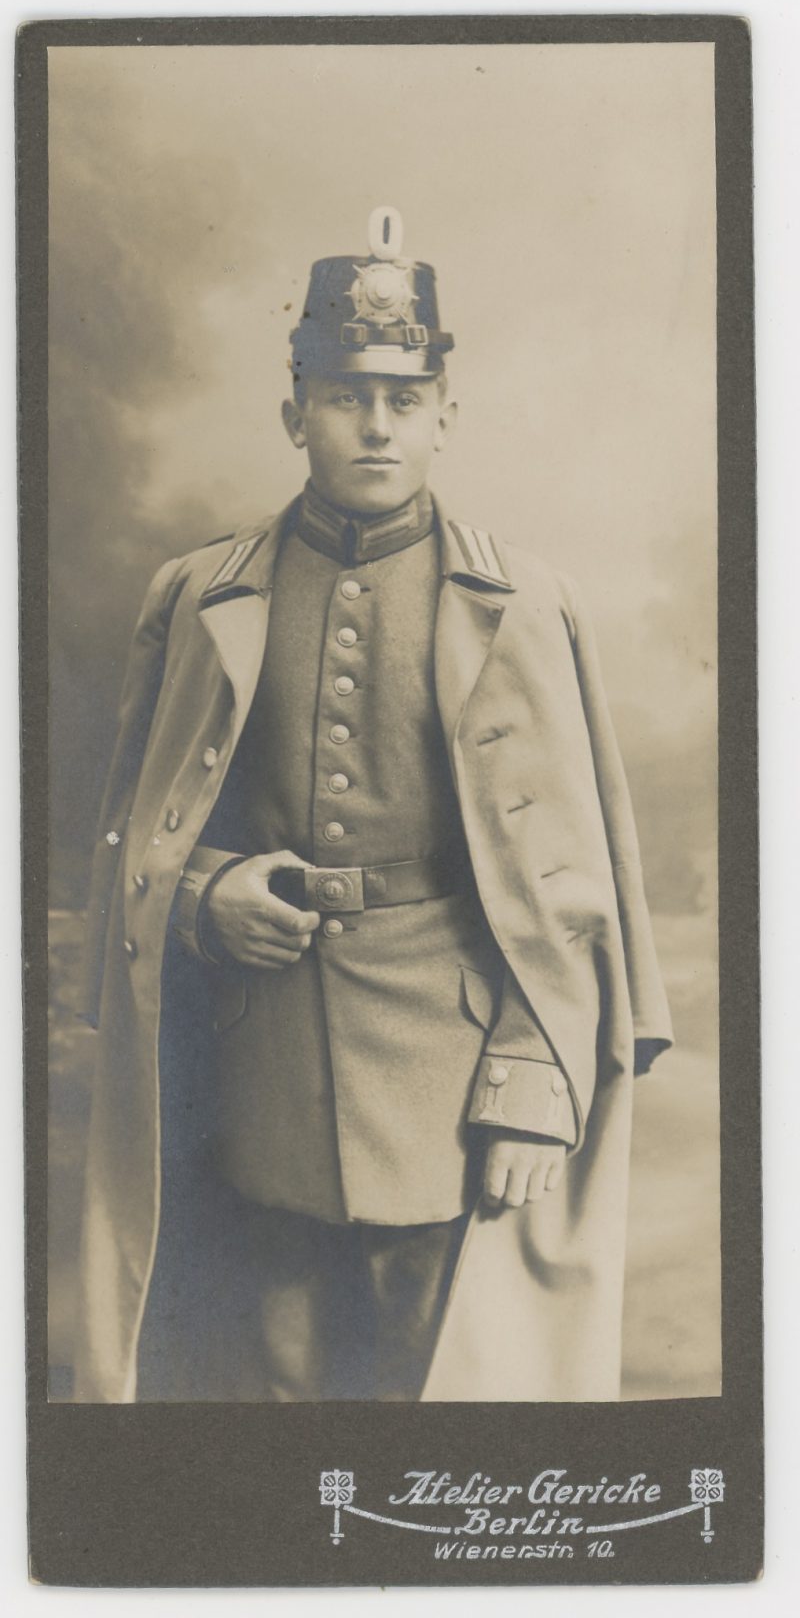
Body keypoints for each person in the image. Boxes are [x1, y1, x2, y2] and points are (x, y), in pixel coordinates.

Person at [74, 207, 673, 1404]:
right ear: (293, 413)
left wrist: (530, 1078)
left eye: (403, 397)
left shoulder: (522, 603)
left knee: (435, 1396)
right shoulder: (198, 595)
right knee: (256, 1395)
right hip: (251, 1081)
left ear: (446, 412)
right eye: (345, 396)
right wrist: (205, 895)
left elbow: (573, 885)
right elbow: (133, 838)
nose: (377, 425)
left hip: (447, 1087)